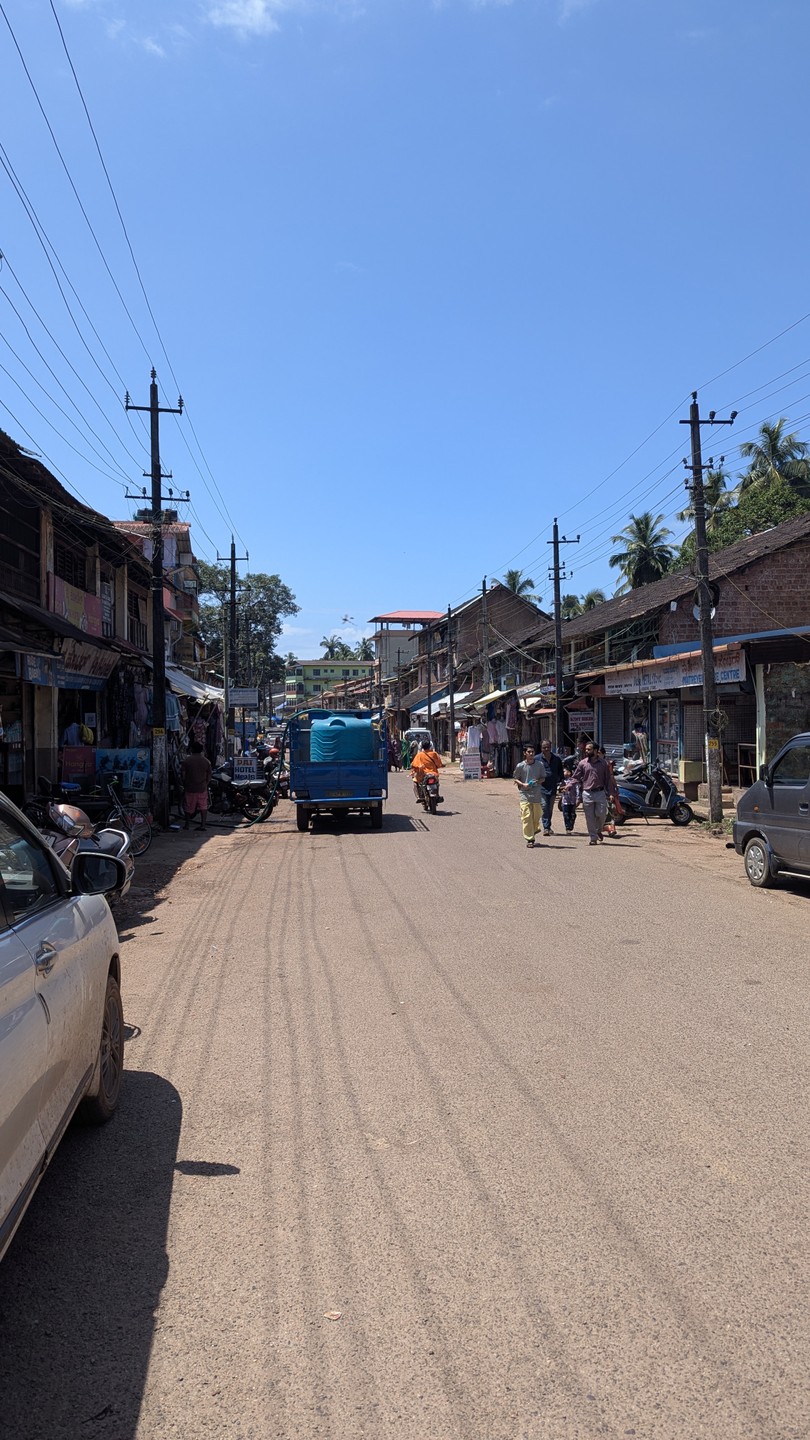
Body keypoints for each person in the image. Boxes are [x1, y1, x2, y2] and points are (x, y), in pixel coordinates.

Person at [572, 741, 612, 845]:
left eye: (589, 749)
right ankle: (593, 838)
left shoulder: (603, 763)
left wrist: (611, 793)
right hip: (587, 793)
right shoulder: (583, 763)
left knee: (602, 813)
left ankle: (598, 829)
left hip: (600, 792)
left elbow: (608, 779)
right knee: (589, 817)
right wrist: (568, 785)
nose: (586, 751)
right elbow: (575, 777)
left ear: (595, 751)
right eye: (586, 749)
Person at [513, 743, 548, 847]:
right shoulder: (520, 766)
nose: (531, 753)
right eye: (529, 752)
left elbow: (543, 778)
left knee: (537, 816)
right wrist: (523, 784)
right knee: (526, 816)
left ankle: (535, 828)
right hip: (525, 794)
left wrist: (536, 781)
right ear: (525, 753)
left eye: (532, 752)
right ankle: (530, 839)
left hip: (536, 794)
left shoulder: (539, 765)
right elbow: (515, 778)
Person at [181, 740, 212, 831]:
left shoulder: (187, 760)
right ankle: (203, 825)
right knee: (203, 806)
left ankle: (187, 824)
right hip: (202, 787)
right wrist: (206, 783)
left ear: (192, 749)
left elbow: (183, 774)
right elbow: (209, 775)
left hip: (190, 787)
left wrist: (184, 783)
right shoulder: (206, 761)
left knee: (188, 806)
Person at [538, 739, 564, 836]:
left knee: (550, 808)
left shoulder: (556, 759)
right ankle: (546, 827)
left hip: (553, 787)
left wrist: (561, 782)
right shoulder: (537, 759)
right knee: (544, 806)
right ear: (541, 748)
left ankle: (548, 826)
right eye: (544, 747)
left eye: (548, 747)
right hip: (541, 787)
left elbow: (560, 772)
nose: (546, 749)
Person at [411, 737, 443, 802]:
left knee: (415, 781)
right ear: (430, 746)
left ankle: (419, 797)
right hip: (433, 774)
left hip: (422, 775)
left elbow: (414, 765)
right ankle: (437, 794)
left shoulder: (419, 755)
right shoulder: (434, 754)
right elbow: (439, 764)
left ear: (422, 746)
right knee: (437, 783)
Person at [559, 760, 580, 834]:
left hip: (573, 801)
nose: (564, 773)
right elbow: (560, 789)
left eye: (565, 771)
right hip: (565, 801)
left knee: (573, 814)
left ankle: (571, 824)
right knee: (566, 814)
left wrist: (578, 798)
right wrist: (563, 788)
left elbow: (577, 790)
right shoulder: (563, 781)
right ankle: (568, 827)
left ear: (570, 772)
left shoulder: (574, 781)